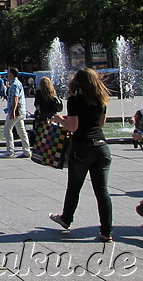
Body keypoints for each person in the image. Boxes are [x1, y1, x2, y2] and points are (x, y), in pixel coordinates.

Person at [49, 67, 113, 242]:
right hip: (102, 147)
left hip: (82, 148)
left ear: (77, 82)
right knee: (102, 191)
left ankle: (66, 218)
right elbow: (100, 124)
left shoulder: (75, 100)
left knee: (74, 186)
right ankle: (106, 232)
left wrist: (59, 120)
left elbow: (73, 127)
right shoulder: (102, 99)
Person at [1, 68, 31, 158]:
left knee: (7, 129)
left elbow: (15, 97)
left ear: (12, 74)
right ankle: (26, 151)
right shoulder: (18, 83)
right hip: (21, 111)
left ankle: (10, 151)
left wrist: (13, 111)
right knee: (22, 131)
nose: (7, 75)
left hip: (16, 111)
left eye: (8, 73)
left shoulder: (14, 84)